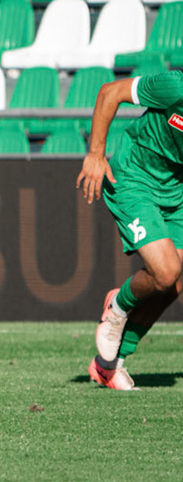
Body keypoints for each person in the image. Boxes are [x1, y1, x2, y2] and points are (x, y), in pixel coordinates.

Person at [78, 68, 183, 391]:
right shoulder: (174, 86)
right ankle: (118, 305)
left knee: (174, 282)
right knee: (166, 272)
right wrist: (96, 154)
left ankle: (110, 365)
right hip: (134, 179)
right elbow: (110, 92)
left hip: (176, 191)